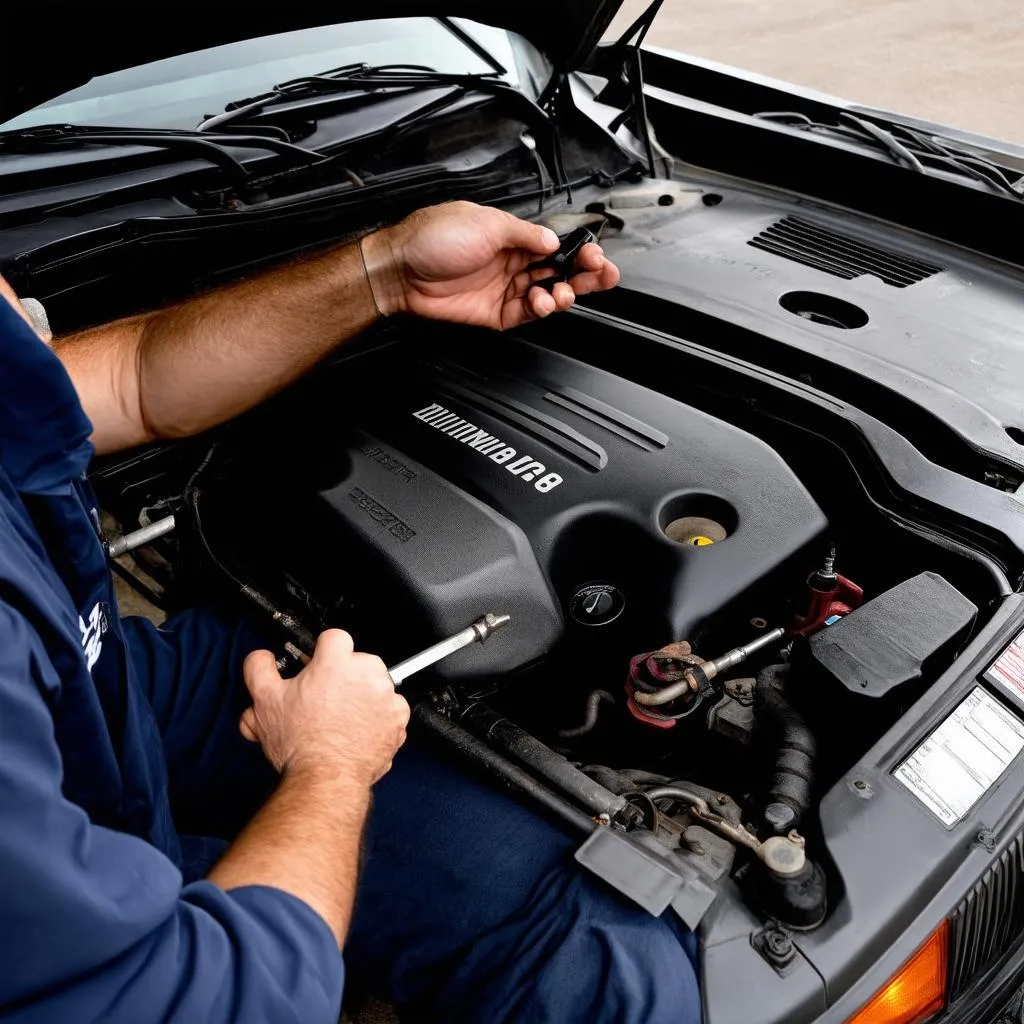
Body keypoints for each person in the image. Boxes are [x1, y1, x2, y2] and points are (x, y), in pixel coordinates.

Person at [0, 201, 701, 1023]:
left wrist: (386, 269)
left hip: (90, 689)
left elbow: (130, 379)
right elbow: (215, 1003)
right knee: (616, 981)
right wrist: (331, 764)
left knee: (256, 651)